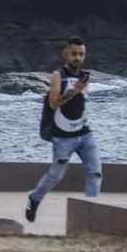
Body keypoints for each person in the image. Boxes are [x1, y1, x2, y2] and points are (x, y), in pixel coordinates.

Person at [26, 35, 101, 222]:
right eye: (74, 53)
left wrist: (80, 93)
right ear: (65, 53)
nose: (77, 58)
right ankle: (34, 199)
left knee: (95, 172)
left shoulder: (84, 76)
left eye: (81, 54)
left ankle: (91, 216)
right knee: (55, 176)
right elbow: (53, 104)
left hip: (84, 133)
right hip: (63, 137)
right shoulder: (58, 75)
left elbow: (81, 103)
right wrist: (74, 91)